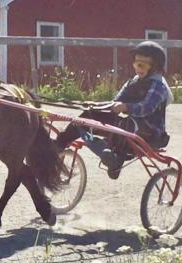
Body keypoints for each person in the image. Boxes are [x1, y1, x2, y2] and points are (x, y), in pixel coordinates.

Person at [55, 40, 173, 179]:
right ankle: (58, 145)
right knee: (87, 116)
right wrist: (96, 105)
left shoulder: (158, 85)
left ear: (155, 67)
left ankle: (115, 159)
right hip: (130, 126)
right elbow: (115, 103)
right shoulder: (132, 82)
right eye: (136, 63)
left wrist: (126, 107)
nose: (138, 68)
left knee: (125, 124)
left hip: (150, 132)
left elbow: (146, 108)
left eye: (143, 64)